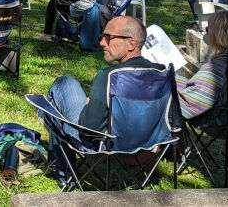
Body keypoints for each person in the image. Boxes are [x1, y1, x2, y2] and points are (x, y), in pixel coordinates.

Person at [42, 16, 166, 147]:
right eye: (102, 36)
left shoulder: (109, 76)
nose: (102, 42)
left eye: (108, 38)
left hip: (106, 147)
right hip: (149, 148)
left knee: (64, 84)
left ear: (131, 44)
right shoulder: (162, 73)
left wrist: (88, 107)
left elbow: (88, 128)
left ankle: (60, 159)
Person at [177, 10, 228, 119]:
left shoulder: (216, 67)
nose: (206, 33)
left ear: (216, 34)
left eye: (207, 29)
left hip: (221, 118)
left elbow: (188, 105)